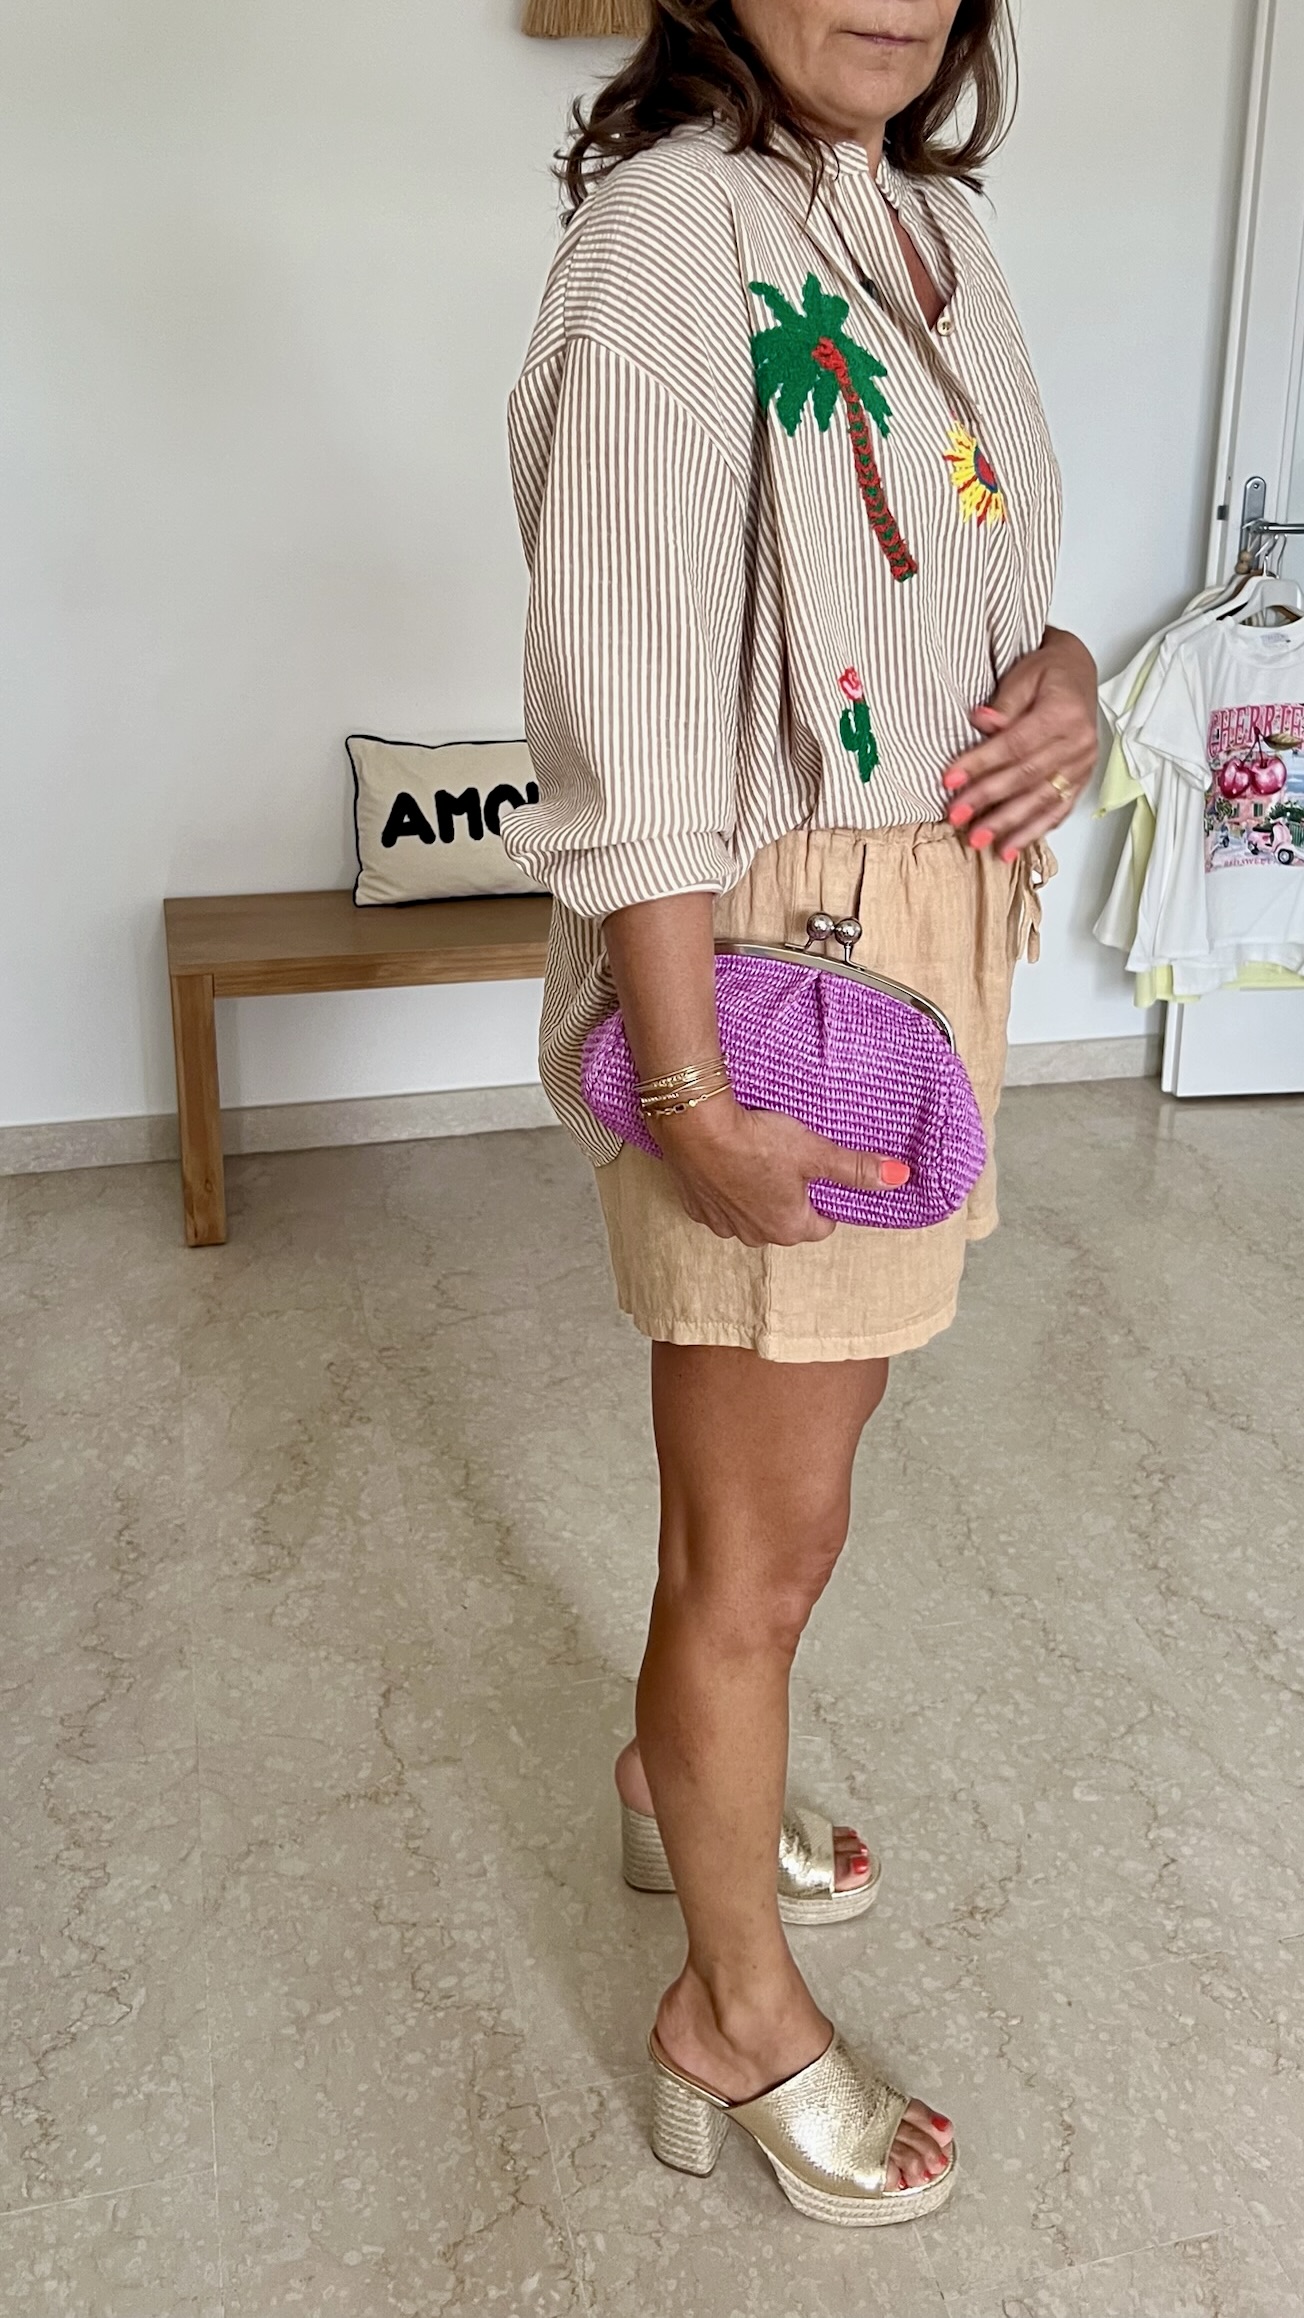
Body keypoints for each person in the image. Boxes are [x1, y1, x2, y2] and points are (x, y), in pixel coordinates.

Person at [504, 0, 1099, 2225]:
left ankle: (677, 1779)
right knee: (763, 1548)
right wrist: (686, 1084)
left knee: (780, 1495)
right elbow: (634, 706)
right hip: (770, 965)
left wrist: (1065, 683)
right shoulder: (673, 234)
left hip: (923, 933)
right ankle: (728, 2015)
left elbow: (974, 584)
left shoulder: (930, 222)